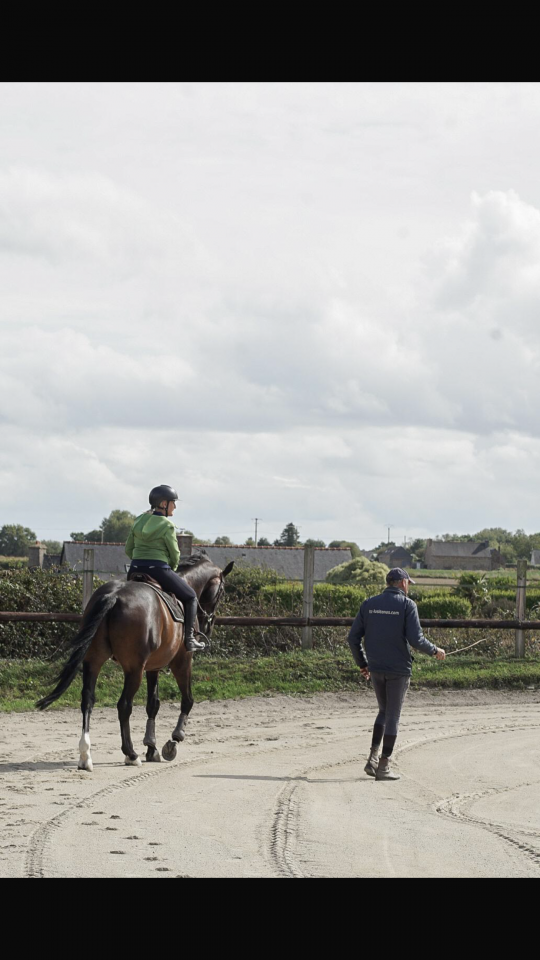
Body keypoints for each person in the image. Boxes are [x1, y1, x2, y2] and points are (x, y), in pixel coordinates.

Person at [348, 567, 445, 781]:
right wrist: (435, 651)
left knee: (383, 712)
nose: (408, 586)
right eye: (408, 583)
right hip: (398, 670)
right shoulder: (408, 605)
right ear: (402, 583)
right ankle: (384, 766)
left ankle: (372, 758)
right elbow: (416, 639)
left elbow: (352, 638)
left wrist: (362, 663)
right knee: (393, 715)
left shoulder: (369, 604)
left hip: (375, 668)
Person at [125, 484, 205, 652]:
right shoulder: (167, 525)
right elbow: (175, 554)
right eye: (173, 502)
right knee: (190, 597)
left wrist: (140, 560)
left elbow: (128, 549)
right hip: (158, 570)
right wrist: (172, 568)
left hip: (134, 569)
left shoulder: (138, 520)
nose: (175, 506)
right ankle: (190, 639)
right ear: (163, 504)